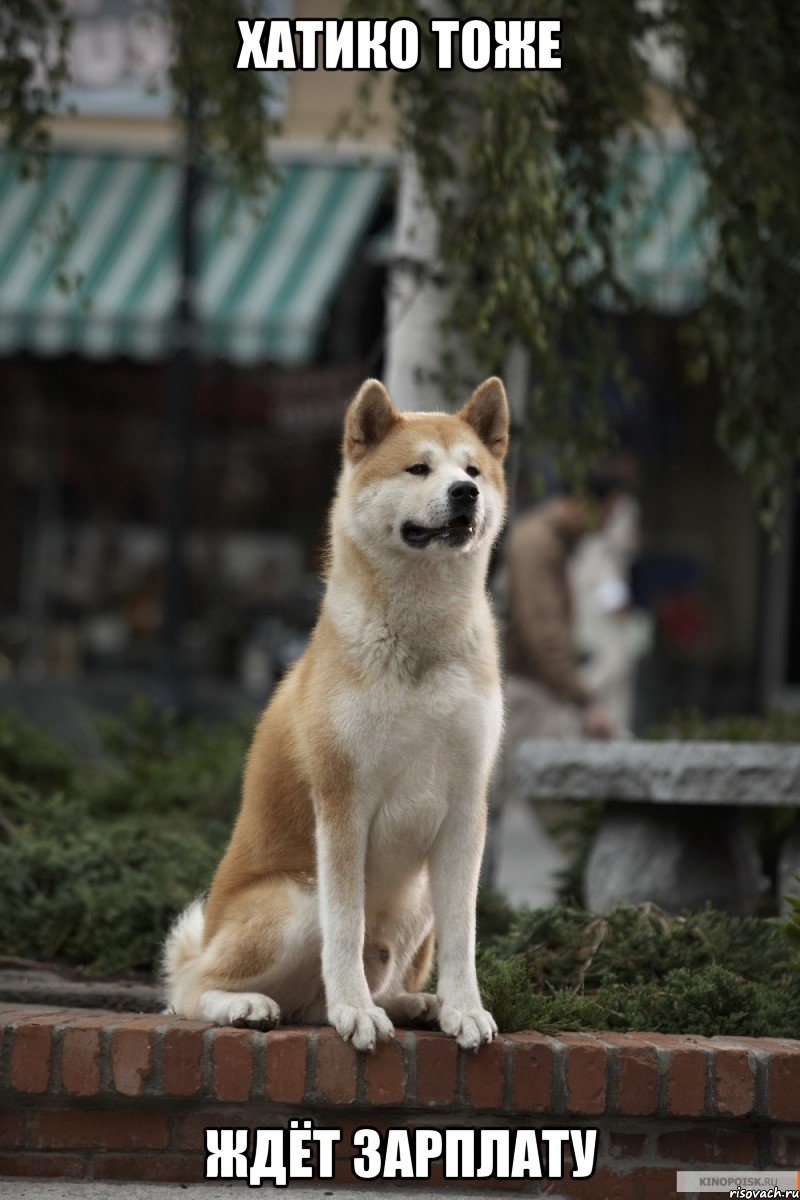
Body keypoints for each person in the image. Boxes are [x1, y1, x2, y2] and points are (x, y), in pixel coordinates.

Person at [504, 470, 627, 743]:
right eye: (606, 515)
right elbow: (542, 630)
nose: (605, 527)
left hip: (537, 687)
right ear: (586, 502)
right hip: (527, 691)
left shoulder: (551, 541)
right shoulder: (538, 544)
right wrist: (583, 701)